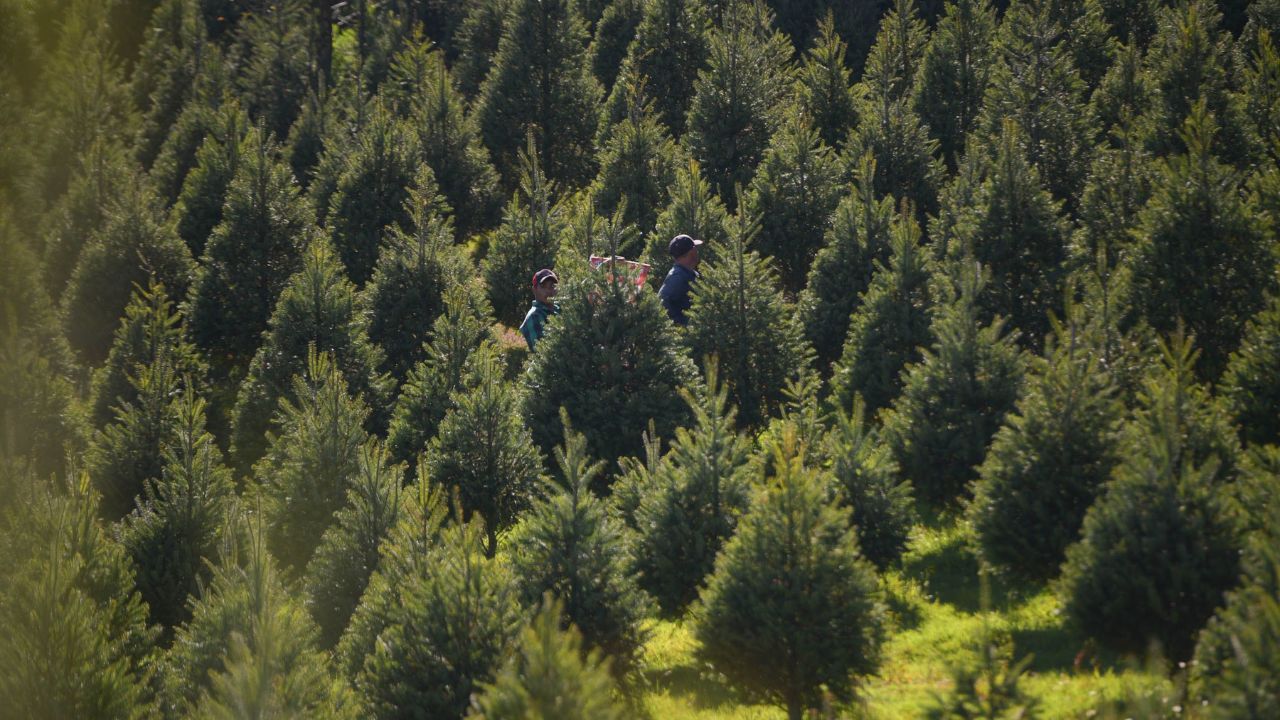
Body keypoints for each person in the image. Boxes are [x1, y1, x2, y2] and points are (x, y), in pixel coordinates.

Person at [658, 234, 702, 325]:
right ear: (692, 252)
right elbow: (663, 302)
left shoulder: (688, 273)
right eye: (695, 248)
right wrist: (682, 325)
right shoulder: (677, 276)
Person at [520, 268, 559, 351]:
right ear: (534, 290)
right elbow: (543, 353)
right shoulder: (534, 316)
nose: (549, 291)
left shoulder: (560, 308)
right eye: (544, 286)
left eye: (552, 286)